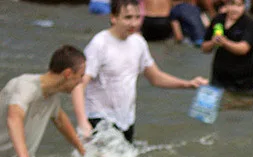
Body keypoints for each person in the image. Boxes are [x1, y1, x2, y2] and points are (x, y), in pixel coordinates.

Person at [72, 0, 207, 143]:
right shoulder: (100, 44)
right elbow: (78, 84)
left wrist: (188, 84)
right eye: (128, 18)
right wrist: (82, 122)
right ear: (113, 17)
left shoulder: (138, 42)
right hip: (99, 118)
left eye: (137, 17)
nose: (134, 23)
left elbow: (156, 77)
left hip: (126, 120)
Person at [1, 46, 87, 157]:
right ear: (68, 73)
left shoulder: (52, 97)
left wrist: (83, 150)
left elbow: (60, 120)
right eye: (80, 76)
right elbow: (14, 118)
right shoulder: (25, 86)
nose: (82, 81)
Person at [202, 0, 253, 93]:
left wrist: (225, 42)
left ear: (244, 7)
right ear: (226, 5)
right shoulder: (218, 20)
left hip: (243, 80)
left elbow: (243, 49)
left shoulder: (249, 23)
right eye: (232, 4)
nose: (235, 9)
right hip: (219, 77)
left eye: (239, 5)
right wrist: (213, 42)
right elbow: (204, 48)